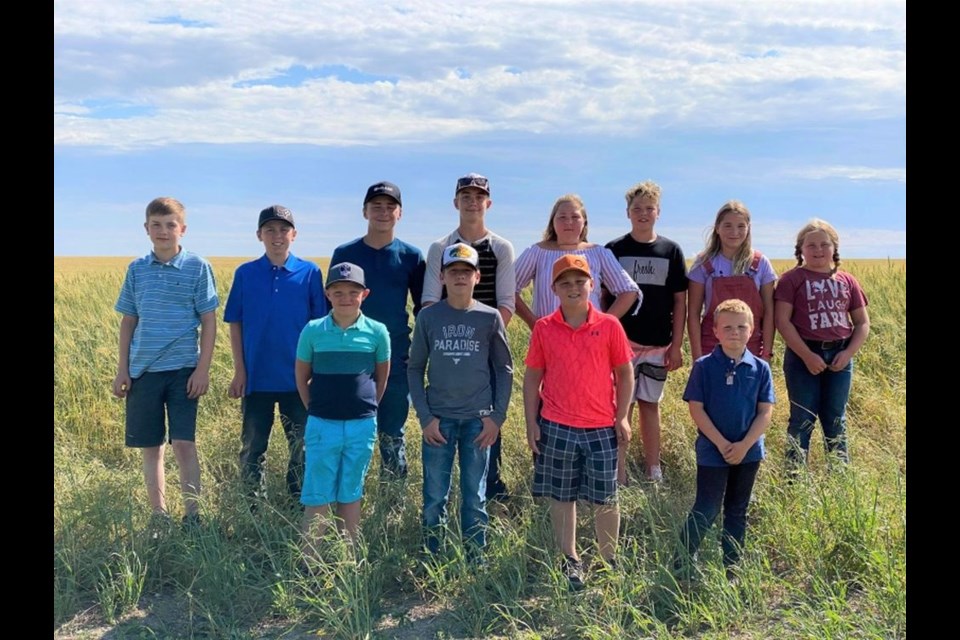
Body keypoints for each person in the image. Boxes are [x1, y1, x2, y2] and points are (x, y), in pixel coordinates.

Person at [523, 254, 634, 590]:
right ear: (553, 288)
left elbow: (625, 373)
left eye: (579, 281)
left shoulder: (609, 325)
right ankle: (569, 560)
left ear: (592, 285)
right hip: (556, 424)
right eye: (565, 282)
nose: (573, 288)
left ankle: (608, 559)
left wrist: (623, 416)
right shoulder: (544, 328)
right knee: (562, 497)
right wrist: (531, 423)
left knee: (606, 497)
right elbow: (532, 379)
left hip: (601, 425)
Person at [111, 196, 219, 526]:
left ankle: (193, 517)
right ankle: (159, 517)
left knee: (184, 444)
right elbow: (128, 320)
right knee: (151, 448)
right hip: (143, 372)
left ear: (182, 229)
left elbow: (209, 320)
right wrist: (122, 370)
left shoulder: (198, 267)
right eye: (156, 225)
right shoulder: (137, 269)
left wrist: (203, 369)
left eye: (170, 225)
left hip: (184, 370)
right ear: (146, 229)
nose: (163, 231)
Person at [408, 243, 513, 561]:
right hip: (439, 421)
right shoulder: (429, 317)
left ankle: (475, 557)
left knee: (474, 495)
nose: (460, 277)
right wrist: (425, 417)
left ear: (477, 277)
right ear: (441, 276)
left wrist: (496, 418)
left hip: (478, 423)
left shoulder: (489, 317)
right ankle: (432, 556)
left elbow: (504, 369)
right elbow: (414, 369)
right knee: (434, 495)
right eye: (453, 272)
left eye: (466, 272)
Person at [224, 205, 327, 504]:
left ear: (294, 235)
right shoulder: (246, 273)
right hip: (256, 378)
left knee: (302, 447)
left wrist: (315, 374)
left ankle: (299, 505)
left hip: (298, 380)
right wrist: (240, 371)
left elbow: (318, 327)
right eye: (270, 230)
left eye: (283, 230)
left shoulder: (309, 273)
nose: (277, 236)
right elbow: (236, 323)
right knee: (254, 447)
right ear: (259, 235)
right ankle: (253, 508)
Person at [423, 172, 516, 504]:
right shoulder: (439, 247)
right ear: (456, 202)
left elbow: (506, 304)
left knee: (488, 420)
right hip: (450, 346)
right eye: (466, 196)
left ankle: (488, 492)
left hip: (489, 347)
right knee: (444, 420)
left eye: (479, 196)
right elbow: (430, 302)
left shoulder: (501, 247)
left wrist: (483, 338)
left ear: (488, 203)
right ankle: (441, 499)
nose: (472, 201)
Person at [672, 299, 774, 580]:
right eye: (727, 327)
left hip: (749, 452)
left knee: (737, 509)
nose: (735, 332)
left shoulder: (761, 368)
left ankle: (732, 568)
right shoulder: (704, 366)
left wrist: (744, 445)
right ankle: (682, 560)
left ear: (752, 330)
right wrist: (720, 443)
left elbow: (765, 412)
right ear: (715, 330)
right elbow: (696, 408)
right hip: (712, 450)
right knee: (707, 506)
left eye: (742, 327)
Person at [331, 181, 426, 479]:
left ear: (400, 213)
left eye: (390, 207)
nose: (383, 212)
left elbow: (423, 309)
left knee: (392, 431)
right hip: (350, 357)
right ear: (364, 212)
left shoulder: (411, 256)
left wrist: (419, 354)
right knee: (350, 430)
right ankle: (349, 493)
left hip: (396, 357)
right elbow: (330, 308)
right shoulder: (345, 253)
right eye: (376, 207)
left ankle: (392, 501)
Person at [295, 263, 391, 557]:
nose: (346, 298)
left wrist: (368, 407)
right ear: (327, 294)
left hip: (362, 424)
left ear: (365, 294)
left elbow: (381, 376)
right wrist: (314, 408)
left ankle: (348, 556)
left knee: (352, 488)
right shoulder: (313, 330)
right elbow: (301, 376)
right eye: (338, 292)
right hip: (323, 423)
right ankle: (310, 559)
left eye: (353, 292)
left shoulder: (377, 332)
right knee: (318, 490)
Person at [604, 181, 687, 484]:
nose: (643, 213)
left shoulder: (671, 250)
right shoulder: (614, 249)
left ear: (658, 212)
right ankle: (617, 471)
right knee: (619, 406)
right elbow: (603, 298)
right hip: (620, 342)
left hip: (657, 342)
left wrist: (676, 345)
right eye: (637, 208)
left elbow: (680, 301)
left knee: (650, 405)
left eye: (649, 208)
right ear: (627, 213)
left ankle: (654, 469)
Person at [774, 219, 870, 467]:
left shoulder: (847, 281)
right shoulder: (791, 279)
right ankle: (794, 480)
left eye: (824, 244)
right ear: (801, 250)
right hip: (803, 356)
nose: (818, 250)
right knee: (802, 419)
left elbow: (862, 323)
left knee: (836, 418)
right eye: (811, 245)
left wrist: (848, 353)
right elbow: (783, 322)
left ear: (834, 247)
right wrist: (807, 355)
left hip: (840, 354)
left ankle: (839, 478)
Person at [514, 193, 640, 328]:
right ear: (553, 221)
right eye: (562, 217)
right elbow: (508, 288)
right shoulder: (536, 252)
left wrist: (603, 324)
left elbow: (628, 290)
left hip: (590, 339)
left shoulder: (599, 253)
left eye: (575, 217)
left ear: (584, 221)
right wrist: (533, 322)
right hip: (549, 339)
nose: (568, 222)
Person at [688, 201, 776, 361]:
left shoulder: (760, 263)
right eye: (727, 225)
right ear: (717, 228)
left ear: (749, 228)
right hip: (711, 348)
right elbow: (693, 313)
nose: (734, 232)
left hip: (752, 348)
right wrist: (697, 357)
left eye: (741, 226)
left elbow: (770, 311)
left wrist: (767, 352)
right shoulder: (703, 263)